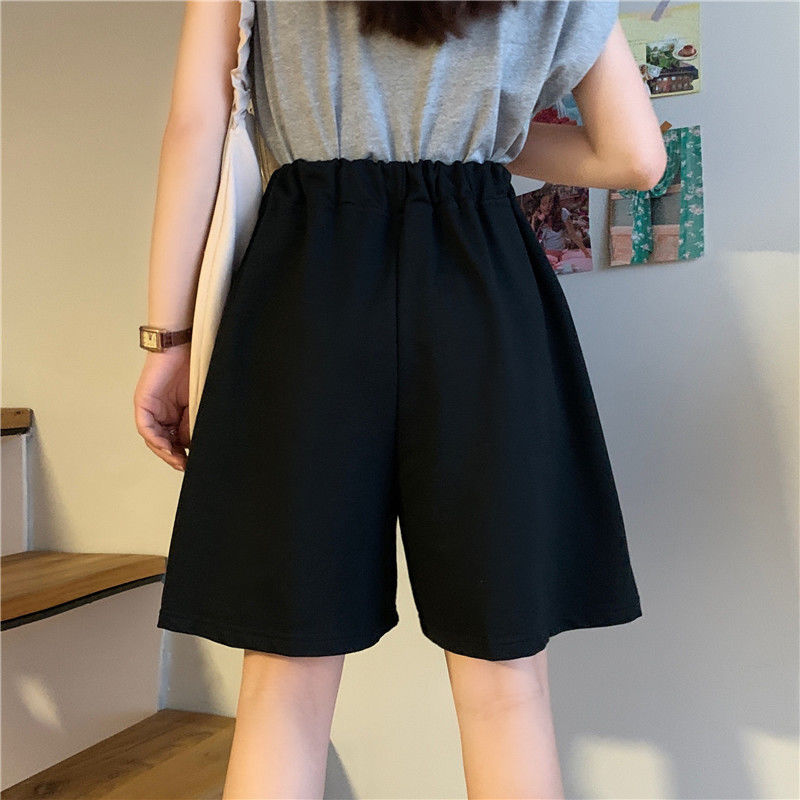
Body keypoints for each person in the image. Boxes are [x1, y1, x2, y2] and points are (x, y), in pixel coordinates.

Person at [133, 1, 666, 797]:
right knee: (505, 683)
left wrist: (167, 342)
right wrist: (481, 133)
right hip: (480, 286)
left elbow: (195, 125)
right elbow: (635, 156)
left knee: (285, 681)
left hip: (308, 283)